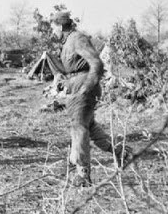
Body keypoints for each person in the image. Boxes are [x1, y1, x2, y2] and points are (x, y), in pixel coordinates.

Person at [51, 11, 127, 186]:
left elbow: (96, 63)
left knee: (79, 127)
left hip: (83, 87)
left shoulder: (78, 39)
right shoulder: (68, 41)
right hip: (76, 85)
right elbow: (74, 67)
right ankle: (121, 151)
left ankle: (82, 173)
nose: (52, 32)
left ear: (61, 26)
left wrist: (87, 86)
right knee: (89, 126)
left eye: (54, 27)